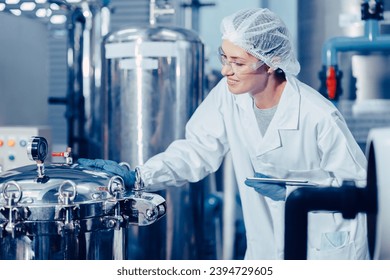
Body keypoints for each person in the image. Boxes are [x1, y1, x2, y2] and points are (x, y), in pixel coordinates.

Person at [78, 8, 369, 260]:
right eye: (224, 58)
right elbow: (197, 149)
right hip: (265, 248)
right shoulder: (230, 96)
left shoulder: (318, 115)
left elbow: (361, 189)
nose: (225, 70)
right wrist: (140, 176)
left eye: (238, 63)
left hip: (323, 248)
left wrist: (298, 191)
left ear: (271, 63)